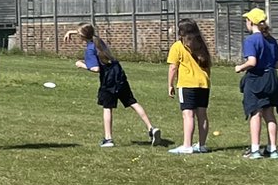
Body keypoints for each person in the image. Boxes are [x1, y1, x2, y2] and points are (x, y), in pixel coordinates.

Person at [77, 24, 162, 147]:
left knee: (107, 107)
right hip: (119, 74)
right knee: (132, 102)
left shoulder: (90, 49)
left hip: (108, 80)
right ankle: (151, 128)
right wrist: (71, 32)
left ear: (82, 36)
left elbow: (95, 69)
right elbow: (87, 33)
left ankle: (108, 139)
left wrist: (81, 65)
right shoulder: (98, 40)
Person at [236, 7, 278, 159]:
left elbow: (252, 61)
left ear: (251, 22)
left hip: (256, 79)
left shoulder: (251, 40)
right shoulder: (271, 40)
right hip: (272, 78)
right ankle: (273, 149)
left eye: (247, 20)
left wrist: (240, 67)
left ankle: (255, 149)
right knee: (269, 114)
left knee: (255, 113)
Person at [164, 18, 214, 153]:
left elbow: (173, 68)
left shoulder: (178, 46)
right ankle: (202, 145)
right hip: (203, 84)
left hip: (186, 84)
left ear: (181, 33)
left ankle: (187, 146)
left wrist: (170, 85)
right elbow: (208, 66)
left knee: (188, 115)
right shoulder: (202, 45)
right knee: (202, 115)